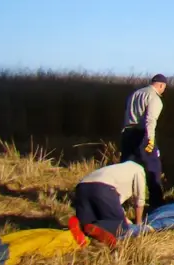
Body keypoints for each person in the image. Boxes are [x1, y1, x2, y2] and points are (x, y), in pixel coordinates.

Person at [69, 160, 153, 246]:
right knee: (121, 227)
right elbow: (140, 200)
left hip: (82, 187)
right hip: (102, 188)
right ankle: (97, 226)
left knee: (88, 228)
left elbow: (114, 204)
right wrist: (138, 224)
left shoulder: (119, 169)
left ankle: (80, 224)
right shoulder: (139, 169)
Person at [120, 74, 167, 207]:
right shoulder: (155, 98)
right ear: (161, 85)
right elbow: (150, 120)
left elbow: (127, 113)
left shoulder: (135, 94)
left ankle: (122, 200)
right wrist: (150, 139)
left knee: (126, 167)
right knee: (153, 167)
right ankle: (156, 202)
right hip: (143, 135)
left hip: (128, 133)